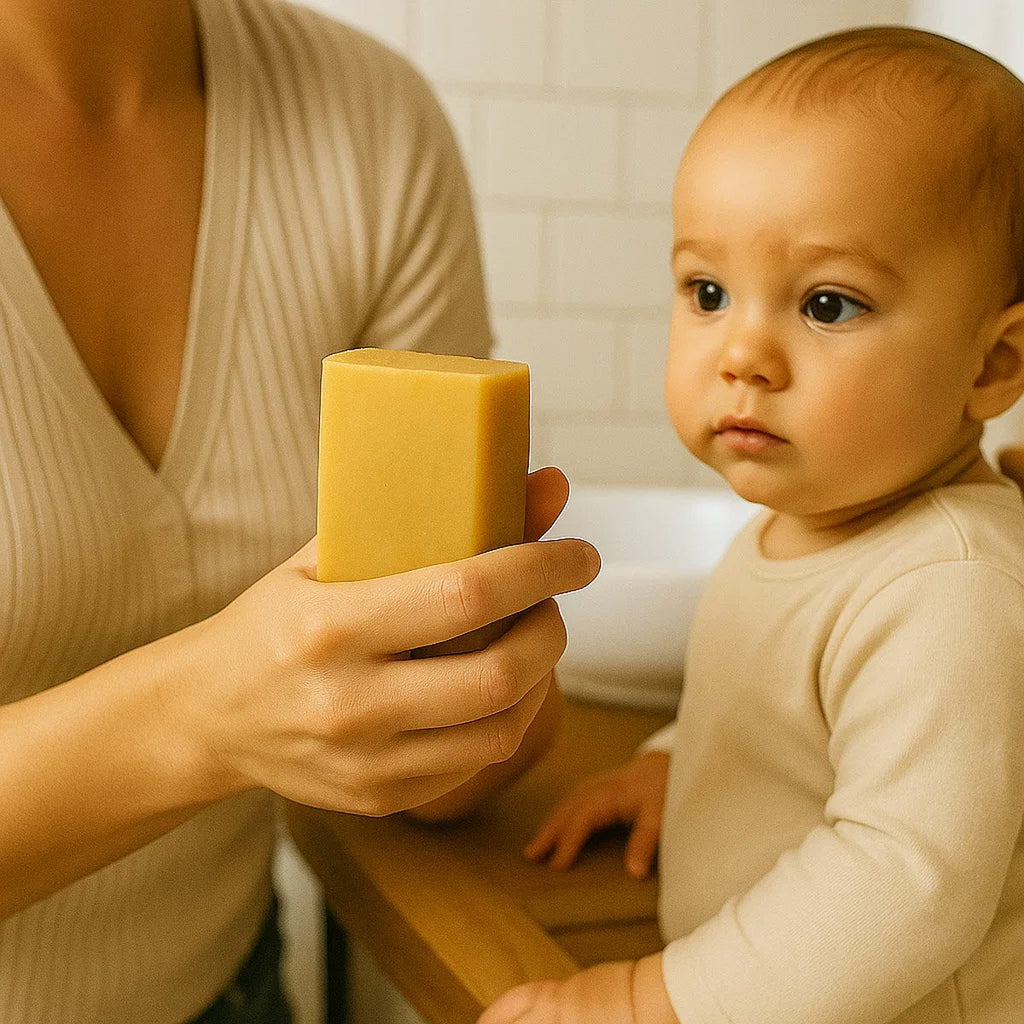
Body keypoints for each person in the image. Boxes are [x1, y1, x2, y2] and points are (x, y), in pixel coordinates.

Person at [0, 1, 601, 1022]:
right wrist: (200, 717)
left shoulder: (369, 122)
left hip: (231, 990)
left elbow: (432, 740)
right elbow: (237, 707)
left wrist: (473, 702)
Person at [479, 25, 1024, 1024]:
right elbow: (784, 709)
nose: (742, 353)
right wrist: (679, 762)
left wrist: (651, 1000)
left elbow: (903, 881)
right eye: (708, 291)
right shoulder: (801, 522)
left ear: (991, 365)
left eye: (825, 303)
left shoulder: (950, 584)